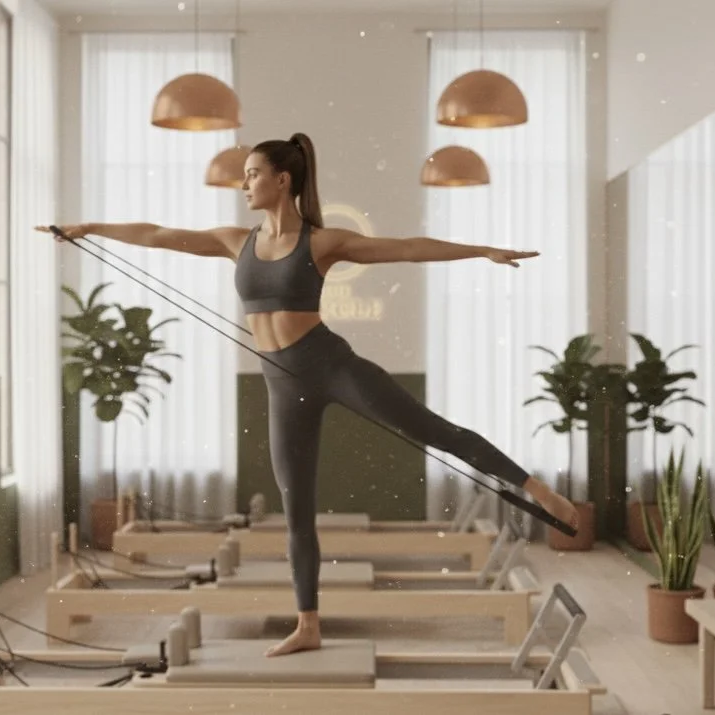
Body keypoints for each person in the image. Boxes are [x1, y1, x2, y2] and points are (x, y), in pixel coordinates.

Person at [38, 132, 579, 658]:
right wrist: (90, 228)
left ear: (282, 179)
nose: (244, 183)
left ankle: (537, 489)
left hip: (331, 366)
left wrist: (481, 251)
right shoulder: (236, 241)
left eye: (252, 174)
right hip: (281, 385)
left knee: (433, 431)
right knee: (297, 510)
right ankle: (308, 625)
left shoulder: (322, 242)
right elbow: (156, 233)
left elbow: (407, 248)